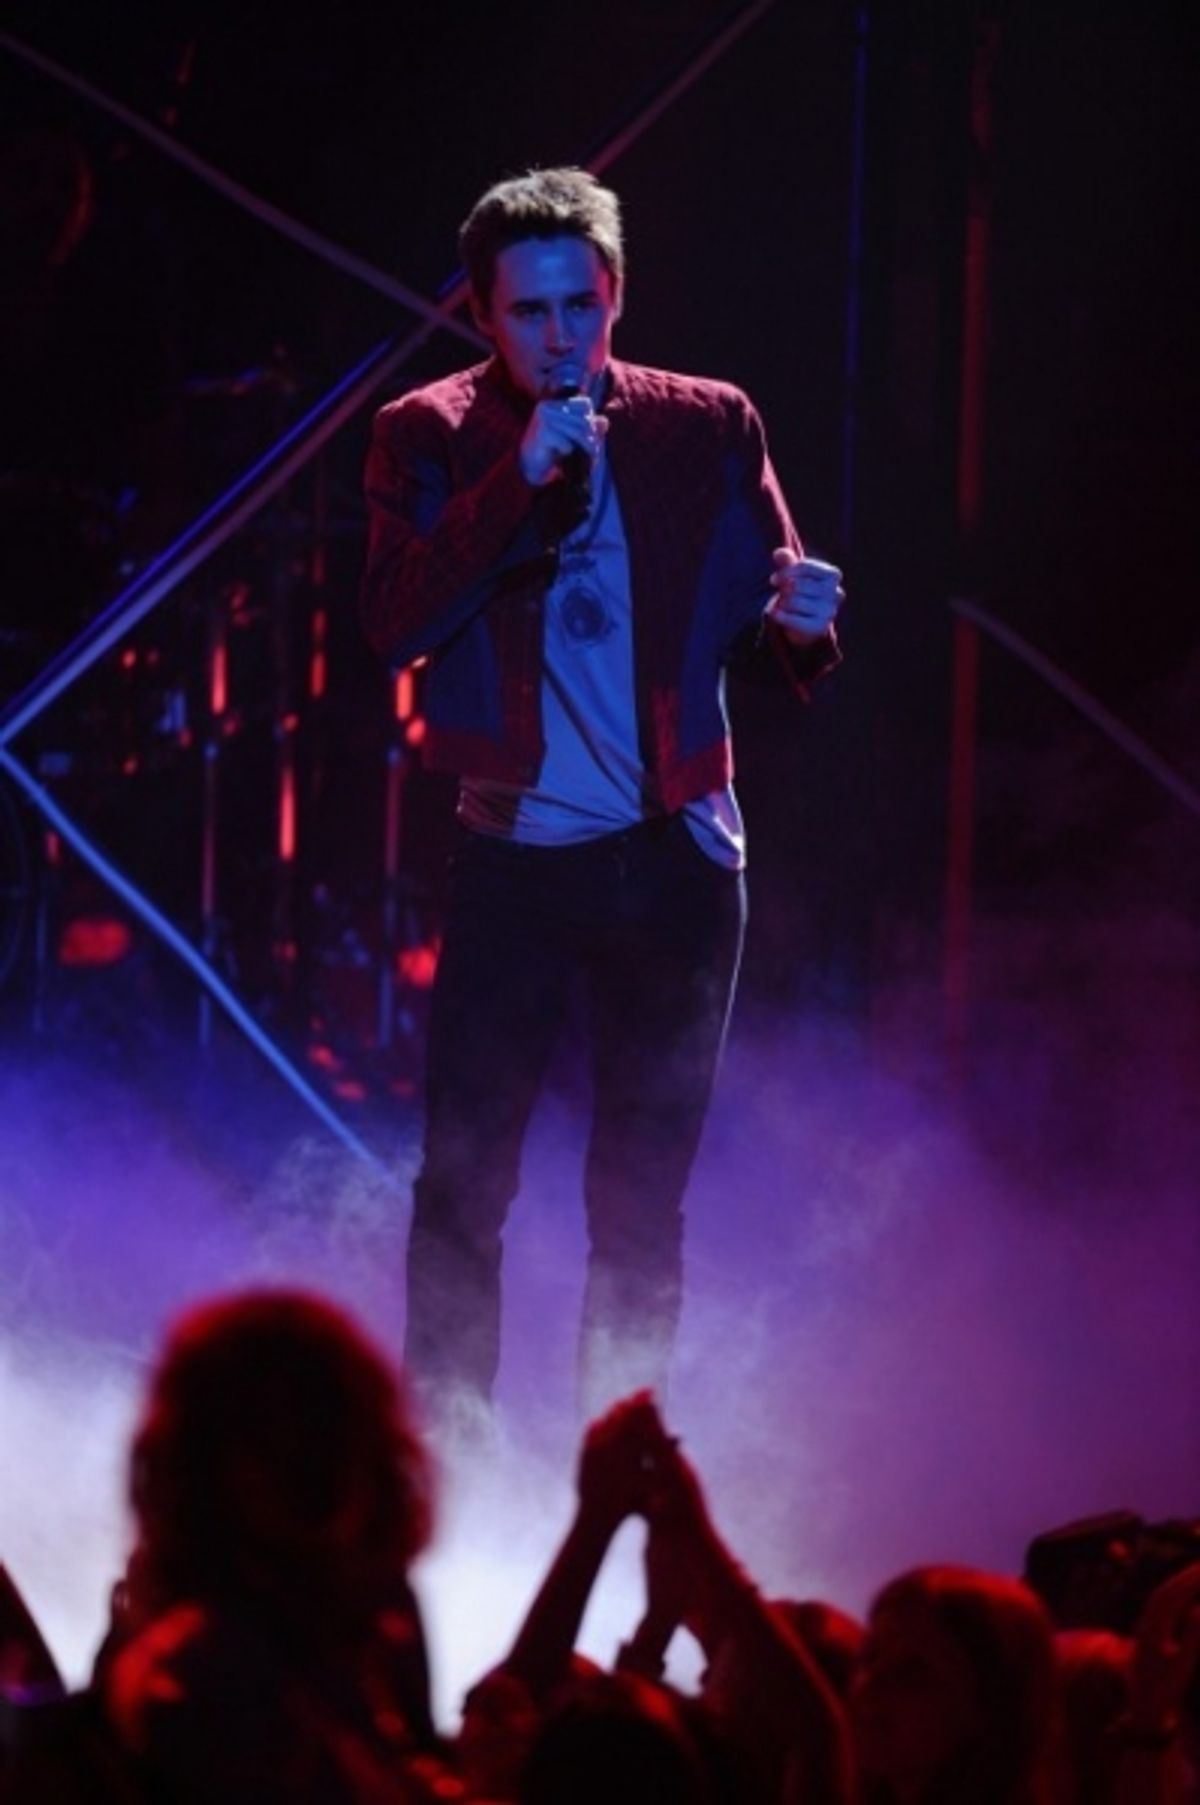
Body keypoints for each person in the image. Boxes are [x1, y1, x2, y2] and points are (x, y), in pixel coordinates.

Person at [361, 166, 843, 1421]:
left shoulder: (708, 423)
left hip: (678, 860)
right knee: (462, 1190)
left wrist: (802, 626)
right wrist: (517, 477)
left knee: (639, 1206)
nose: (560, 335)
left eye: (581, 303)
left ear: (616, 294)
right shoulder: (425, 434)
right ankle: (449, 1467)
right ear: (483, 314)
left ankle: (615, 1466)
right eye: (529, 311)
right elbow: (396, 623)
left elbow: (764, 620)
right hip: (516, 860)